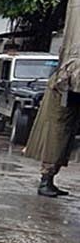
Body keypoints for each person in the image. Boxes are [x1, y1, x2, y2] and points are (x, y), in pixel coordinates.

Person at [25, 56, 80, 197]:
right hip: (59, 113)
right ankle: (45, 182)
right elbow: (71, 86)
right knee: (54, 146)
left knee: (60, 146)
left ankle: (49, 181)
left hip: (65, 111)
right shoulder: (76, 64)